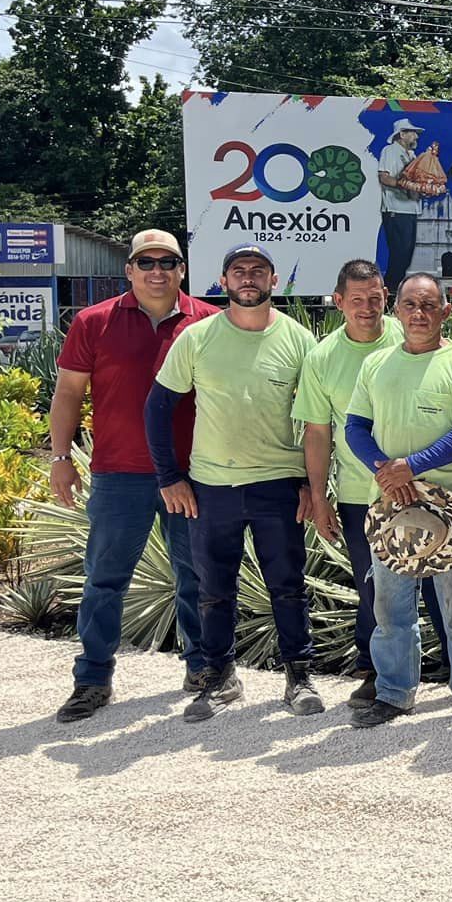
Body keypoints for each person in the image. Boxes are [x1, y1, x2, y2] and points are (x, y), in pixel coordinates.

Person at [147, 243, 320, 722]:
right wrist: (169, 478)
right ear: (222, 282)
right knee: (213, 589)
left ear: (274, 280)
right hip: (211, 487)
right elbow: (158, 409)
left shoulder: (300, 341)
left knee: (287, 586)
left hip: (278, 485)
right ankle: (219, 677)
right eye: (239, 271)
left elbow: (317, 422)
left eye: (258, 271)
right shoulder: (198, 338)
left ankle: (299, 677)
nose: (249, 278)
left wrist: (310, 482)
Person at [48, 229, 215, 722]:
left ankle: (203, 669)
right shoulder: (93, 321)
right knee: (105, 580)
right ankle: (93, 679)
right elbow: (68, 395)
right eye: (146, 262)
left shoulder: (208, 321)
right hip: (120, 474)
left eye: (168, 261)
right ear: (130, 269)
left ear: (182, 269)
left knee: (197, 576)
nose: (157, 271)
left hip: (194, 473)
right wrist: (61, 458)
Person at [293, 260, 452, 707]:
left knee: (441, 583)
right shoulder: (323, 358)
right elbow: (318, 432)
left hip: (432, 487)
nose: (368, 308)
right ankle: (376, 672)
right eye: (357, 299)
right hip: (361, 496)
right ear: (339, 301)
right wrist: (321, 496)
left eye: (376, 297)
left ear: (388, 297)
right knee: (375, 589)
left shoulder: (414, 330)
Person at [342, 273, 452, 726]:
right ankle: (393, 692)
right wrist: (384, 470)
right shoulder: (376, 365)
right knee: (390, 607)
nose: (419, 314)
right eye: (410, 305)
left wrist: (411, 465)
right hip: (390, 507)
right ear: (397, 310)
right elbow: (355, 426)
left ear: (446, 311)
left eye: (429, 306)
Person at [376, 116, 429, 296]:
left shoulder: (412, 156)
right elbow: (384, 177)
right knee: (399, 254)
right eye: (413, 133)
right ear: (402, 134)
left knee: (406, 255)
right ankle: (389, 291)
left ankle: (394, 290)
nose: (416, 137)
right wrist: (405, 185)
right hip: (396, 209)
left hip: (411, 208)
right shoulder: (390, 151)